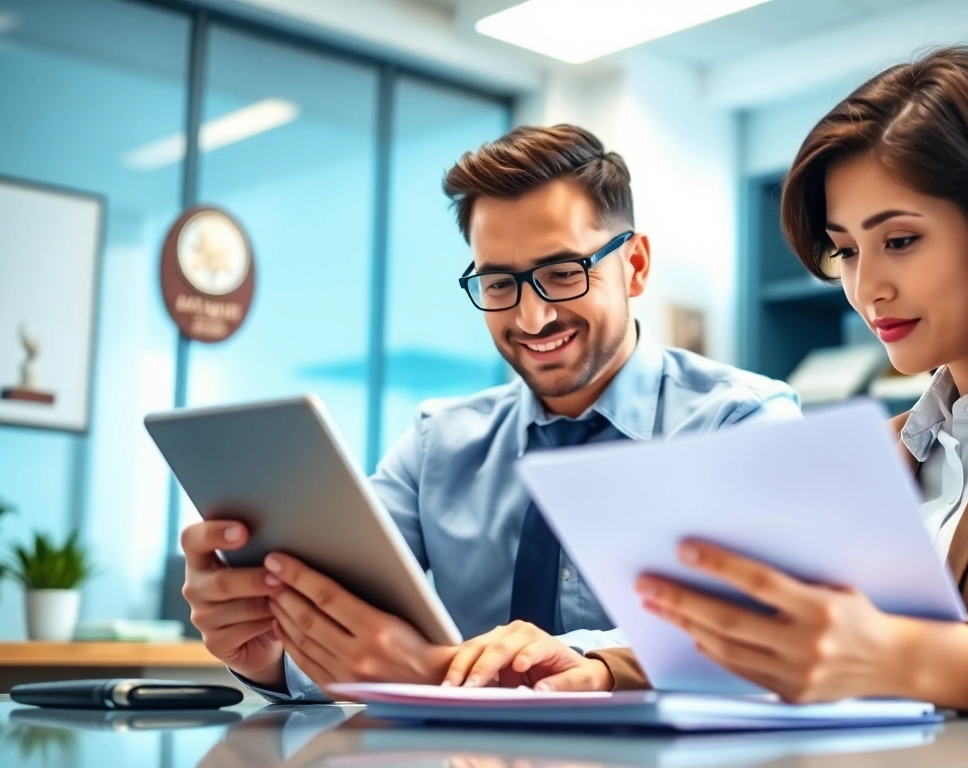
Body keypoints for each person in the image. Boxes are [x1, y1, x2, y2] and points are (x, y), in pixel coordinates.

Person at [591, 46, 968, 715]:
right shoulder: (892, 444)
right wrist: (598, 669)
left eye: (899, 241)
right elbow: (781, 628)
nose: (867, 290)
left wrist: (883, 652)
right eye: (848, 251)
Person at [178, 124, 801, 702]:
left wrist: (590, 664)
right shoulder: (435, 445)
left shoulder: (742, 421)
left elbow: (781, 631)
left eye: (563, 273)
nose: (532, 319)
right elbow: (357, 636)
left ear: (633, 265)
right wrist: (270, 656)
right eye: (500, 284)